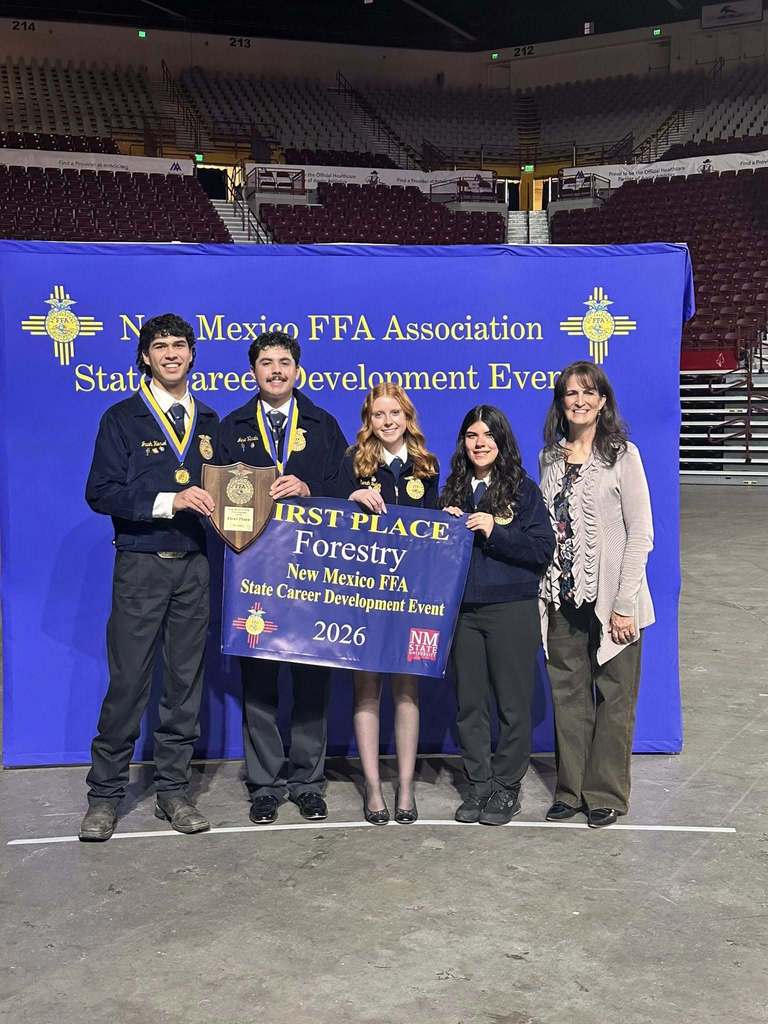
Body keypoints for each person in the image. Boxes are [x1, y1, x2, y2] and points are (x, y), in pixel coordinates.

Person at [79, 313, 219, 842]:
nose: (171, 354)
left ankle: (173, 792)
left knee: (184, 686)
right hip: (141, 564)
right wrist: (170, 501)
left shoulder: (210, 419)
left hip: (195, 565)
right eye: (160, 346)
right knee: (128, 684)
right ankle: (104, 796)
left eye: (180, 345)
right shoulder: (122, 417)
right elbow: (101, 492)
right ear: (145, 356)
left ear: (192, 354)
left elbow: (232, 490)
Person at [218, 330, 347, 824]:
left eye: (284, 362)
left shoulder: (322, 424)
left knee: (312, 676)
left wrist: (310, 488)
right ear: (253, 371)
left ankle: (308, 782)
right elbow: (216, 497)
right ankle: (266, 784)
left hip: (312, 572)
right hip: (254, 572)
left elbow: (346, 488)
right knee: (260, 680)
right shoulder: (232, 427)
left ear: (297, 370)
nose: (275, 370)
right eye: (266, 362)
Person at [539, 361, 654, 828]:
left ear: (603, 402)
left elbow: (640, 533)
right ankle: (570, 790)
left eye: (588, 393)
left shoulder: (623, 455)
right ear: (561, 402)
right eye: (571, 393)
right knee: (568, 698)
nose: (580, 401)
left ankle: (604, 793)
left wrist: (624, 604)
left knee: (615, 697)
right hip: (562, 598)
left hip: (614, 602)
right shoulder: (549, 458)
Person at [441, 406, 554, 826]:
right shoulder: (452, 490)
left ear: (502, 441)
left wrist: (495, 530)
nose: (480, 443)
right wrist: (442, 528)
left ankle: (507, 787)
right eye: (472, 435)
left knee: (512, 704)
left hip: (510, 609)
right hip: (464, 612)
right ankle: (479, 783)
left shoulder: (522, 490)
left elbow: (541, 549)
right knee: (469, 705)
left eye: (488, 435)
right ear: (463, 442)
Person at [336, 383, 439, 825]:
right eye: (379, 414)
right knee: (366, 691)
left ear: (407, 417)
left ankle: (406, 787)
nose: (388, 421)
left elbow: (436, 532)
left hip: (411, 596)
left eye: (395, 412)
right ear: (369, 421)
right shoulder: (353, 462)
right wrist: (351, 498)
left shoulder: (426, 465)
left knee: (407, 690)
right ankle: (374, 788)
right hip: (365, 596)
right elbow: (329, 522)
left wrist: (449, 519)